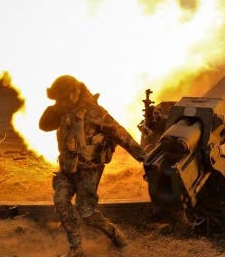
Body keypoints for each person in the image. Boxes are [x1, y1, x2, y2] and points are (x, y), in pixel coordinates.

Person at [39, 75, 146, 257]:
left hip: (89, 170)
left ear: (75, 93)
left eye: (63, 97)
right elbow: (43, 125)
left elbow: (121, 135)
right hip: (67, 168)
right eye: (58, 99)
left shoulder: (96, 113)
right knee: (61, 201)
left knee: (87, 212)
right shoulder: (62, 110)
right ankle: (76, 248)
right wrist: (56, 108)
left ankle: (115, 235)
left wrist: (143, 157)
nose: (61, 101)